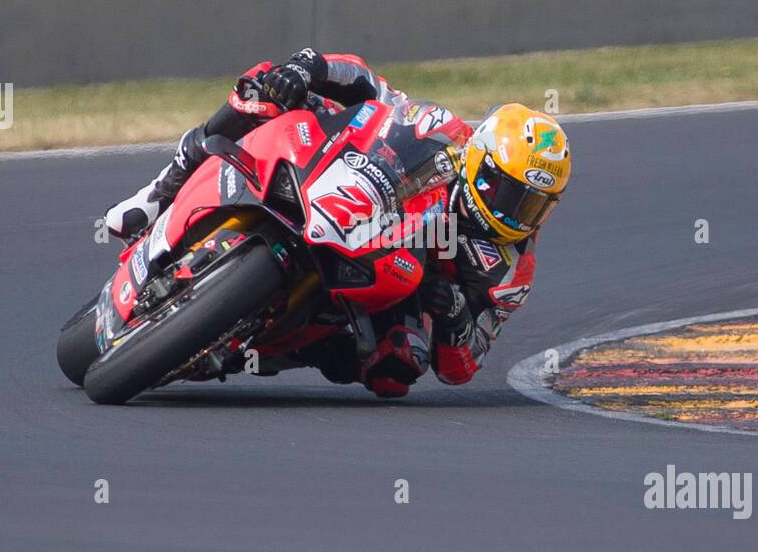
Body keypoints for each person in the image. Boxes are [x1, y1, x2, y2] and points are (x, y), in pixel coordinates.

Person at [104, 49, 571, 396]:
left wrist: (451, 313)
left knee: (400, 367)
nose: (516, 214)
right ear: (480, 162)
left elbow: (463, 367)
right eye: (510, 192)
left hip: (397, 276)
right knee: (264, 86)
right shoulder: (442, 129)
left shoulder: (511, 269)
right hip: (344, 191)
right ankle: (159, 193)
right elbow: (370, 85)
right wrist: (309, 68)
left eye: (534, 205)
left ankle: (276, 343)